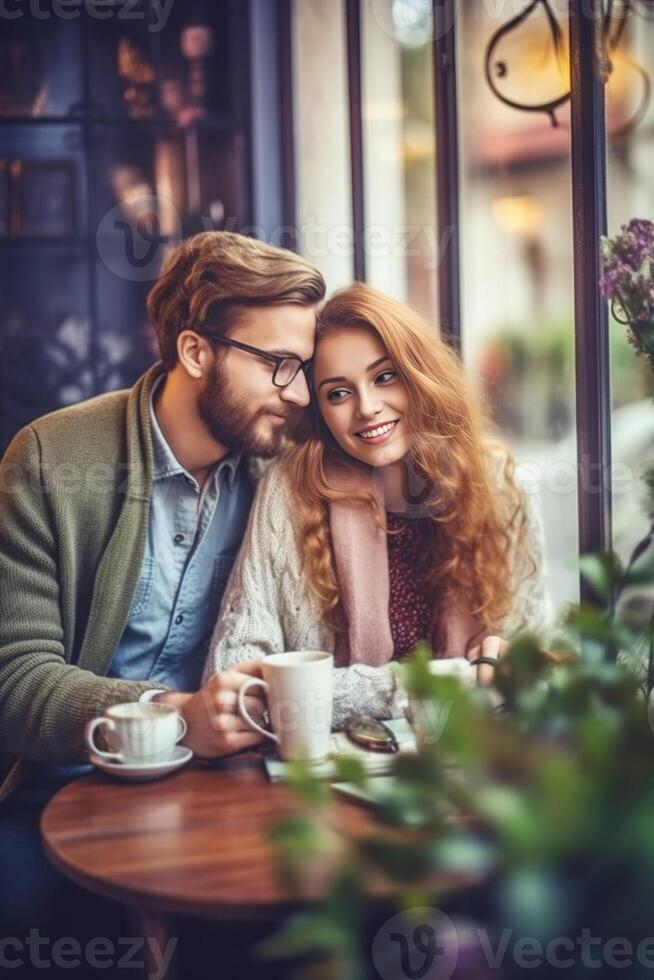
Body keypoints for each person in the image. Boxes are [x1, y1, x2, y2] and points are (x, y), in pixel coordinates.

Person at [0, 231, 324, 945]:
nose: (297, 393)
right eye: (278, 365)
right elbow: (15, 684)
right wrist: (175, 715)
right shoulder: (53, 458)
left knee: (296, 925)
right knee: (26, 918)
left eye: (303, 368)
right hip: (63, 783)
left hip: (226, 792)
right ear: (195, 351)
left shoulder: (282, 475)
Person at [205, 283, 551, 725]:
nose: (367, 408)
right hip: (332, 770)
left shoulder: (498, 486)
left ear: (419, 374)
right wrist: (428, 686)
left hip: (474, 757)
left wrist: (513, 671)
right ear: (320, 413)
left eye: (385, 377)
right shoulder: (291, 489)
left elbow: (539, 663)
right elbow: (236, 677)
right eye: (338, 393)